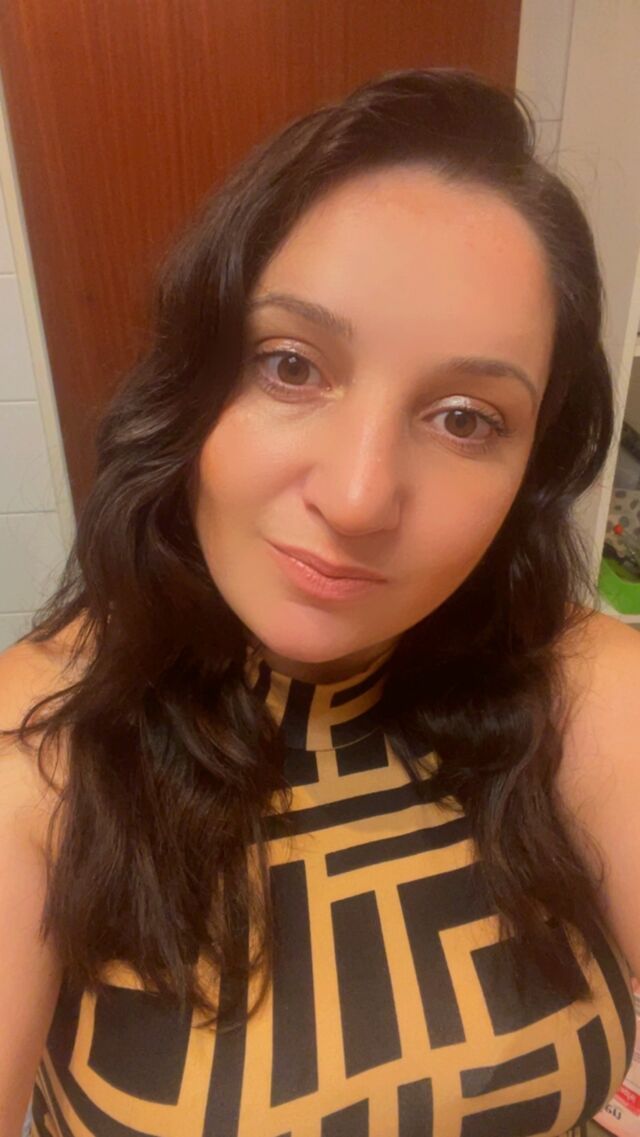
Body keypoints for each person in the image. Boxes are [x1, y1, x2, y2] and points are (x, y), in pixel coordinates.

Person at [1, 66, 639, 1137]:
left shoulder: (585, 689)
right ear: (191, 381)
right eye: (290, 366)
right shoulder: (39, 748)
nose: (356, 498)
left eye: (465, 418)